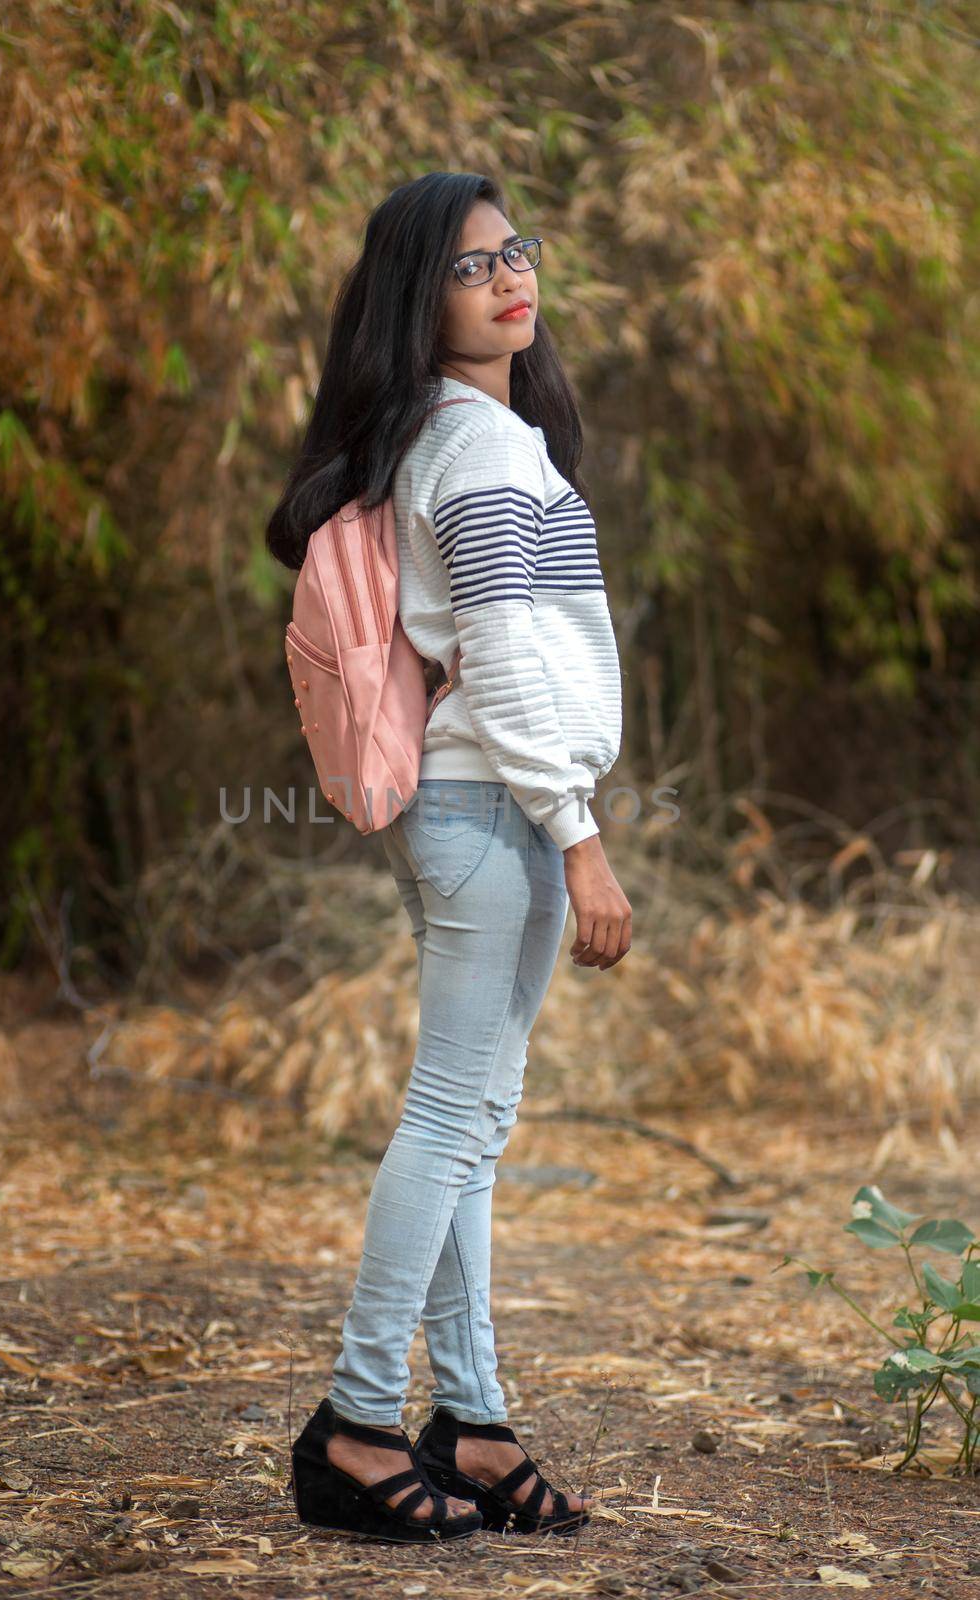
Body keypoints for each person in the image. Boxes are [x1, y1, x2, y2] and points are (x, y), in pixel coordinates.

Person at [267, 171, 631, 1544]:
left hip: (487, 810)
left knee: (474, 1127)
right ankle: (357, 1422)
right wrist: (584, 841)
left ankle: (469, 1420)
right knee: (452, 1118)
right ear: (420, 305)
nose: (508, 278)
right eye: (474, 267)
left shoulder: (482, 433)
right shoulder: (473, 452)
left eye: (516, 253)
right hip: (494, 809)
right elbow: (513, 662)